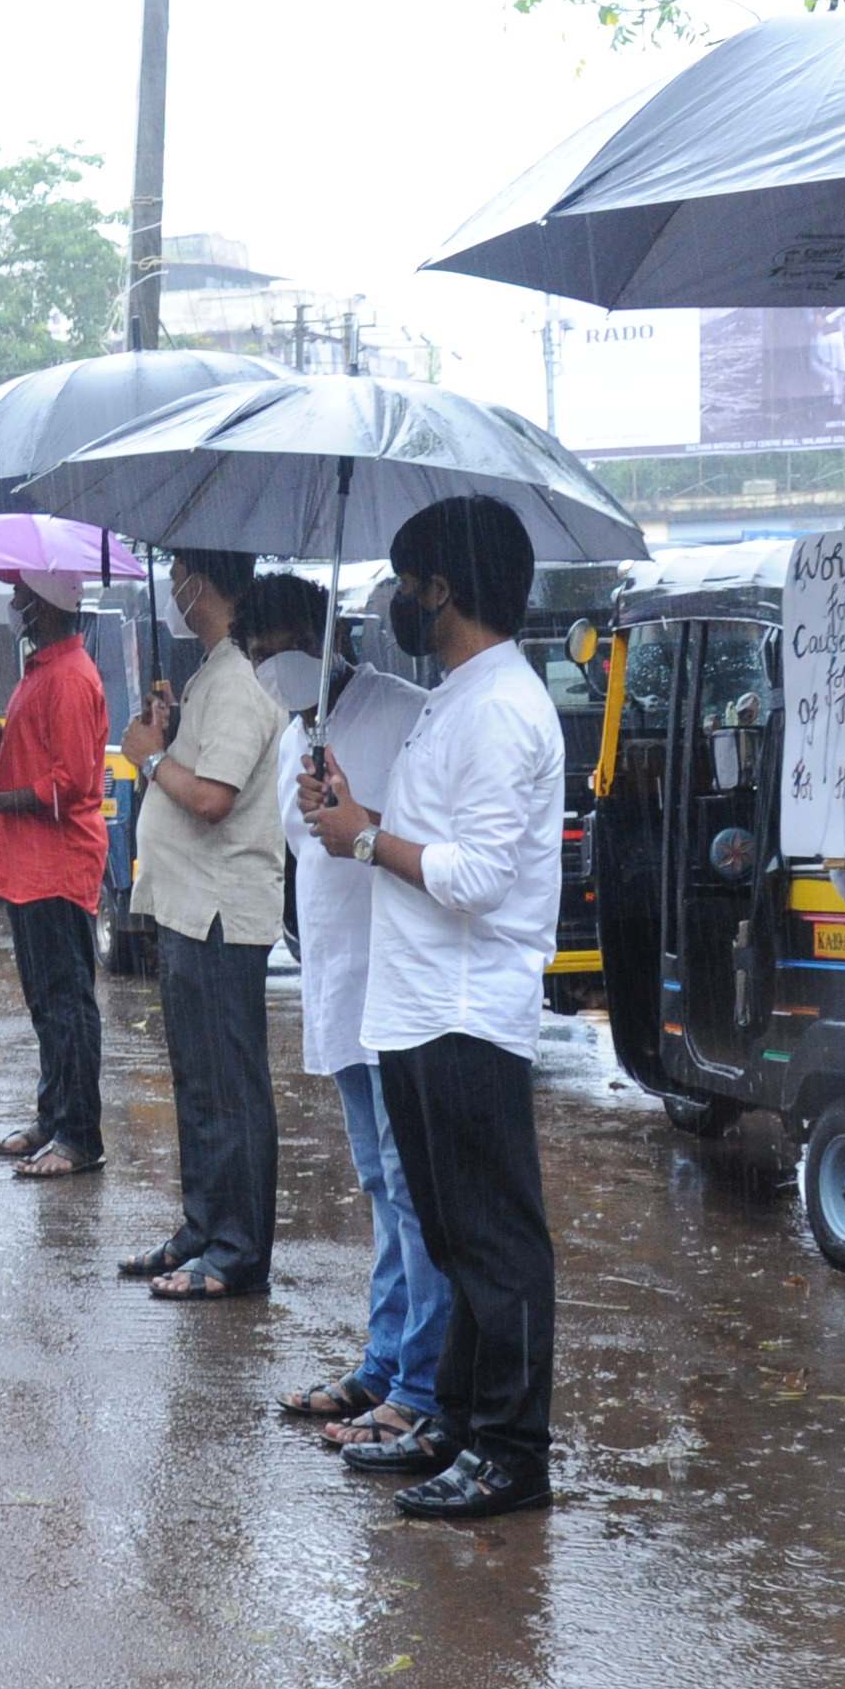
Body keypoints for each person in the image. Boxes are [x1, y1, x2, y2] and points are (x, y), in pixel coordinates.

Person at [296, 495, 565, 1524]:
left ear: (439, 590)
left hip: (464, 1006)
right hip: (411, 1006)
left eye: (404, 587)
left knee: (494, 1245)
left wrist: (366, 838)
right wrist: (350, 811)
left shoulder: (500, 707)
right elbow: (415, 836)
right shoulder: (455, 696)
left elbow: (476, 876)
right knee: (451, 1239)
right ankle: (450, 1421)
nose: (393, 606)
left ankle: (510, 1449)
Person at [236, 576, 448, 1464]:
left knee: (410, 1187)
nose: (262, 666)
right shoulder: (296, 731)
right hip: (337, 986)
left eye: (271, 646)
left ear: (320, 637)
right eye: (251, 655)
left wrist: (360, 819)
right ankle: (383, 1360)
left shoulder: (405, 712)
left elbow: (422, 841)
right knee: (377, 1181)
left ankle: (420, 1385)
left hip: (396, 988)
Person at [121, 549, 289, 1295]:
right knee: (197, 1079)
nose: (174, 592)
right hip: (190, 905)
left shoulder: (241, 681)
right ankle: (203, 1223)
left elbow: (214, 797)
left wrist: (153, 761)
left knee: (229, 1085)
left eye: (180, 575)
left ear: (200, 580)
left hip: (223, 908)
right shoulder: (212, 673)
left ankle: (236, 1248)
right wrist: (171, 731)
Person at [0, 572, 108, 1169]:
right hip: (28, 864)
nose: (16, 605)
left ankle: (79, 1137)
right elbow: (29, 754)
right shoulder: (41, 671)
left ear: (49, 605)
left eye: (23, 595)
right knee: (43, 1001)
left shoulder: (72, 679)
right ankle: (53, 1116)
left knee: (66, 1003)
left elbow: (72, 783)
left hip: (58, 864)